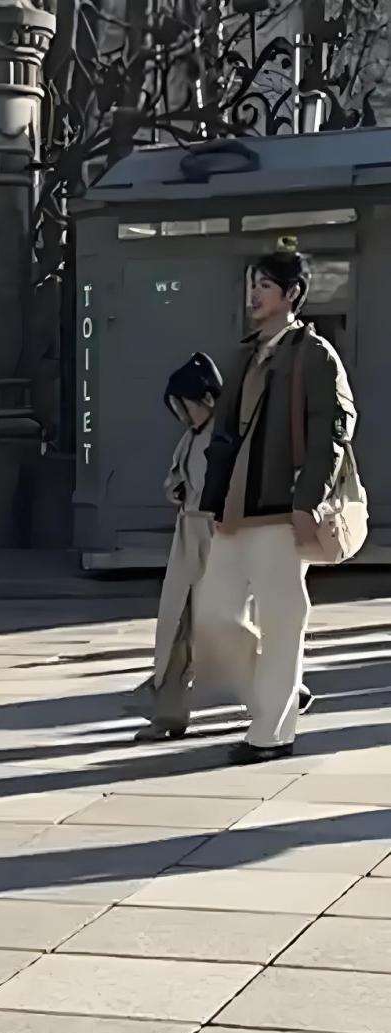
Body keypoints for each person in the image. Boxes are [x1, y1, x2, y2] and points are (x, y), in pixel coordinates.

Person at [200, 246, 354, 763]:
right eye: (252, 284)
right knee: (213, 618)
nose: (253, 295)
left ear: (292, 294)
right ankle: (284, 689)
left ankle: (270, 734)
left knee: (283, 620)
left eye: (264, 286)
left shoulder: (314, 354)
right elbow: (223, 437)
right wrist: (214, 502)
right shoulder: (245, 355)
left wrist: (307, 501)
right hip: (235, 510)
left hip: (281, 508)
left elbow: (332, 431)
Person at [134, 351, 261, 742]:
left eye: (185, 405)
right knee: (176, 626)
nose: (182, 414)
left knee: (225, 625)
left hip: (222, 536)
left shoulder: (227, 435)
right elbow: (179, 480)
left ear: (205, 398)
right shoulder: (191, 437)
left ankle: (276, 691)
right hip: (189, 537)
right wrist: (177, 491)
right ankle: (168, 712)